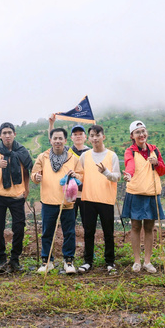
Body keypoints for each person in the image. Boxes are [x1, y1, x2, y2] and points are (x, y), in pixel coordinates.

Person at [31, 127, 83, 274]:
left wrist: (75, 175)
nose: (58, 141)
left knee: (69, 233)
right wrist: (36, 177)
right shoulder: (43, 157)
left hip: (67, 202)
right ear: (50, 140)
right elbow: (34, 173)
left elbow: (81, 176)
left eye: (61, 138)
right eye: (55, 138)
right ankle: (47, 261)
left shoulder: (73, 159)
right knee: (47, 232)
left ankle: (68, 261)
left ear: (65, 140)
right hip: (48, 201)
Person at [0, 122, 33, 274]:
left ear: (14, 134)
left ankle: (15, 259)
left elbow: (27, 171)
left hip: (17, 195)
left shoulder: (22, 151)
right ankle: (1, 259)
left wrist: (26, 189)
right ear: (0, 135)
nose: (7, 135)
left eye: (10, 132)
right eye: (4, 133)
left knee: (19, 228)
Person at [122, 120, 165, 273]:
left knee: (149, 227)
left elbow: (162, 171)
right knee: (135, 226)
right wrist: (129, 174)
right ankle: (137, 261)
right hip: (136, 193)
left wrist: (157, 163)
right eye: (137, 132)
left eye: (143, 131)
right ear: (132, 136)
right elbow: (130, 165)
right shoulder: (130, 151)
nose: (141, 134)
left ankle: (147, 261)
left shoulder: (155, 150)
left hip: (151, 193)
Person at [76, 125, 121, 273]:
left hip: (106, 199)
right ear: (88, 138)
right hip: (88, 198)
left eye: (97, 135)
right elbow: (80, 175)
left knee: (108, 232)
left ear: (103, 137)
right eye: (92, 135)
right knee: (88, 232)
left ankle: (110, 262)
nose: (95, 138)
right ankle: (88, 261)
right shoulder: (85, 156)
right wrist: (74, 177)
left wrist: (106, 172)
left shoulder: (111, 156)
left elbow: (117, 176)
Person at [48, 115, 90, 223]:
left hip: (87, 193)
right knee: (69, 221)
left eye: (81, 134)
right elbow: (53, 141)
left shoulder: (91, 152)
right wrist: (51, 124)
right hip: (71, 193)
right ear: (71, 138)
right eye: (75, 134)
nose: (78, 136)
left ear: (86, 137)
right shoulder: (67, 151)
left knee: (88, 223)